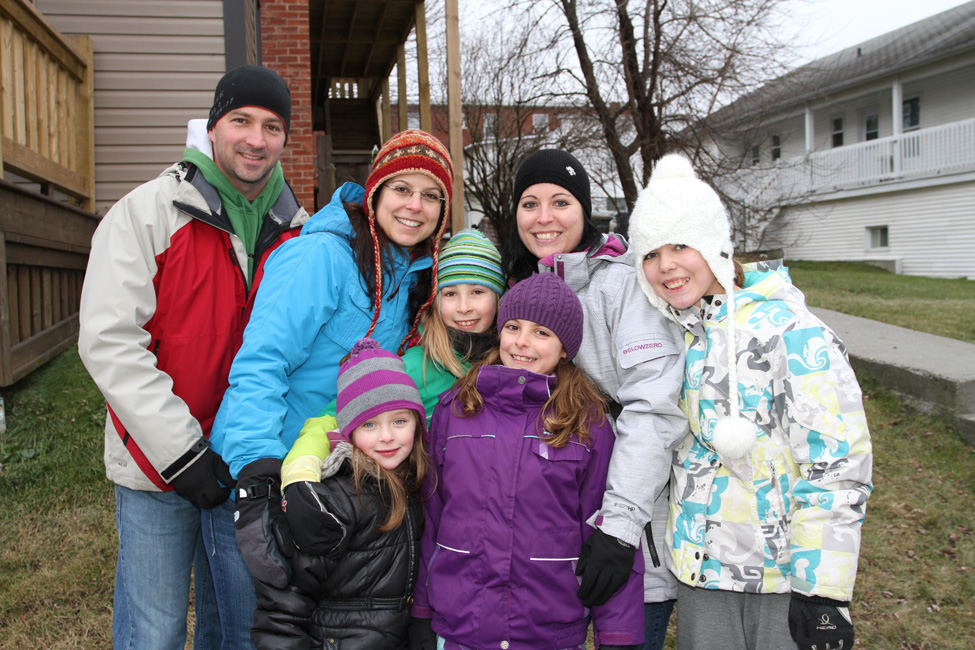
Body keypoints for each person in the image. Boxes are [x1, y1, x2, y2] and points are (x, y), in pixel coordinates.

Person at [77, 65, 307, 649]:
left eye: (272, 126)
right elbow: (109, 340)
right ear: (213, 127)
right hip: (158, 467)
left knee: (233, 625)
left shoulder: (298, 232)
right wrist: (180, 453)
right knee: (152, 629)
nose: (257, 138)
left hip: (247, 466)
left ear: (285, 138)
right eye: (241, 121)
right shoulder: (147, 213)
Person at [627, 153, 873, 650]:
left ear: (714, 245)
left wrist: (821, 590)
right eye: (650, 254)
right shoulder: (684, 337)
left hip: (781, 581)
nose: (666, 266)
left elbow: (837, 462)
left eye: (680, 245)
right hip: (704, 578)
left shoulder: (793, 333)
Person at [208, 129, 454, 591]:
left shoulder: (417, 280)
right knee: (248, 633)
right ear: (376, 192)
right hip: (267, 468)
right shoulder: (323, 256)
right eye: (402, 189)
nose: (414, 206)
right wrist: (256, 474)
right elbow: (263, 360)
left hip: (330, 481)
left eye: (431, 195)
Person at [502, 149, 687, 649]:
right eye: (529, 203)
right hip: (548, 543)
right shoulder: (522, 289)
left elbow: (653, 406)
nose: (544, 218)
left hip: (625, 541)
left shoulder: (622, 284)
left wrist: (620, 528)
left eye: (560, 202)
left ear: (584, 210)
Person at [411, 272, 645, 650]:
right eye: (513, 327)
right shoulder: (457, 409)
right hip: (461, 628)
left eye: (542, 333)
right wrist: (422, 612)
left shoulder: (587, 423)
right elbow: (434, 517)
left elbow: (608, 528)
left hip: (546, 630)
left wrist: (617, 633)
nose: (522, 342)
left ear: (565, 347)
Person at [279, 228, 505, 486]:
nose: (464, 307)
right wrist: (302, 467)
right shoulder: (413, 368)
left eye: (478, 291)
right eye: (450, 293)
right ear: (433, 301)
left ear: (498, 299)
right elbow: (332, 419)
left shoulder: (514, 364)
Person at [249, 337, 430, 650]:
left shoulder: (414, 485)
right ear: (349, 431)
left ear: (417, 423)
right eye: (369, 424)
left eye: (399, 421)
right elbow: (285, 603)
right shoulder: (337, 499)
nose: (387, 437)